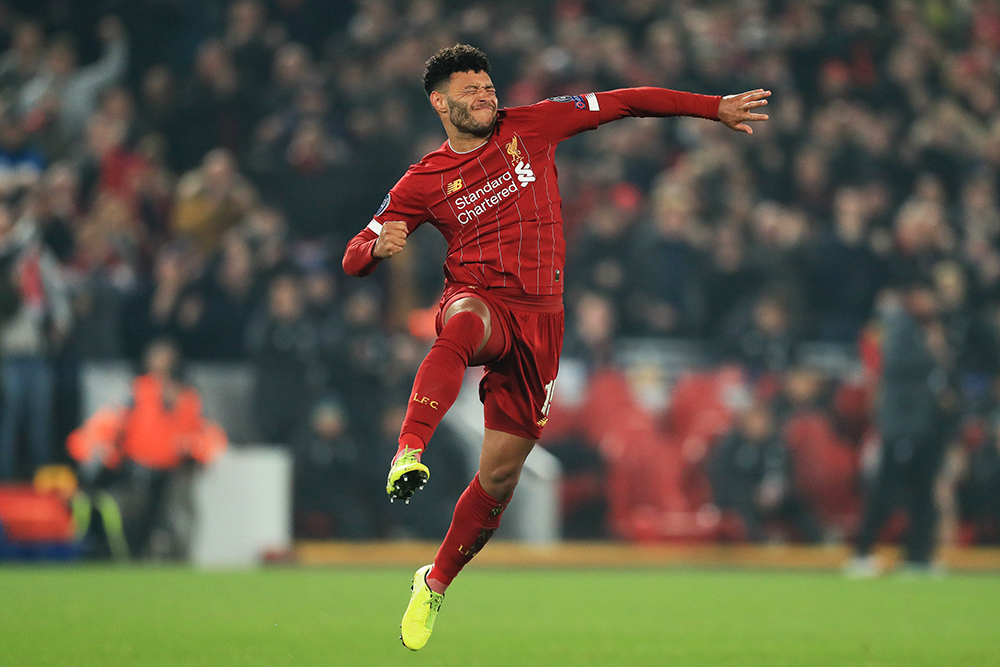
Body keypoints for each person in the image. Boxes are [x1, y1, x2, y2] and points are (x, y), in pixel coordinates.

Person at [342, 44, 769, 650]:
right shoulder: (422, 180)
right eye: (470, 91)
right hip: (481, 300)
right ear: (439, 103)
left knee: (498, 480)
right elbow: (354, 251)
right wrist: (373, 250)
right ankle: (409, 451)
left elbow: (625, 103)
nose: (486, 96)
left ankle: (434, 582)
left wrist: (713, 108)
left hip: (542, 323)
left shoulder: (533, 124)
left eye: (488, 87)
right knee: (460, 324)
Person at [848, 282, 951, 576]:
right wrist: (932, 353)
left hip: (923, 424)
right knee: (885, 490)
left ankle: (917, 556)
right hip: (902, 424)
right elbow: (892, 364)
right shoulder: (899, 324)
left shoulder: (924, 326)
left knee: (922, 492)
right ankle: (863, 551)